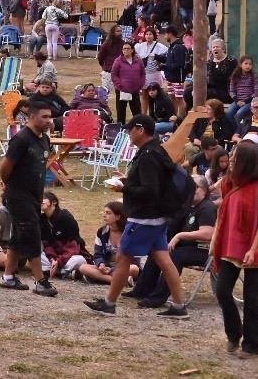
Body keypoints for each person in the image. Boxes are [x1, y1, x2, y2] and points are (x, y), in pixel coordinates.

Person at [84, 116, 188, 317]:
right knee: (164, 260)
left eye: (130, 130)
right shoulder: (156, 150)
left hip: (144, 218)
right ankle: (179, 306)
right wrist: (129, 180)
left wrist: (124, 188)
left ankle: (109, 303)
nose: (128, 134)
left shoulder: (148, 155)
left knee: (123, 257)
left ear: (140, 130)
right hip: (157, 217)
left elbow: (150, 190)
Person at [210, 141, 258, 358]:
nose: (231, 160)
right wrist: (215, 241)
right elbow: (221, 212)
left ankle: (251, 345)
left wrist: (253, 249)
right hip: (231, 245)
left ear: (246, 162)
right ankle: (233, 333)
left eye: (235, 157)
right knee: (222, 291)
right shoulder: (229, 182)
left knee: (251, 299)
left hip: (254, 247)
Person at [0, 98, 59, 296]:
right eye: (44, 117)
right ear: (32, 116)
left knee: (18, 235)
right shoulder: (21, 139)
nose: (49, 120)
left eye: (50, 117)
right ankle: (40, 281)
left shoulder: (44, 139)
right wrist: (9, 185)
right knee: (32, 235)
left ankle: (8, 277)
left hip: (34, 196)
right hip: (19, 196)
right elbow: (5, 168)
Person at [130, 175, 216, 307]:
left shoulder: (207, 207)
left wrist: (180, 236)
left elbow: (207, 234)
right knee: (159, 250)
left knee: (175, 255)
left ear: (204, 190)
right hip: (189, 248)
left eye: (195, 187)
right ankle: (142, 290)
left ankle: (157, 298)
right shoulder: (190, 206)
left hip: (205, 251)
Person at [72, 201, 130, 285]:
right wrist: (101, 264)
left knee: (134, 269)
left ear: (118, 216)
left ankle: (101, 278)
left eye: (108, 213)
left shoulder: (128, 233)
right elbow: (98, 254)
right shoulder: (102, 232)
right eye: (104, 212)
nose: (104, 215)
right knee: (83, 267)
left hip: (125, 266)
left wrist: (112, 269)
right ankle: (120, 281)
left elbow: (134, 258)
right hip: (106, 267)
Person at [109, 41, 145, 125]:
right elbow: (114, 74)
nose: (125, 50)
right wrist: (120, 85)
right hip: (122, 90)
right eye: (124, 49)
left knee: (137, 111)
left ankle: (137, 126)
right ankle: (121, 127)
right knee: (121, 111)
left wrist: (141, 84)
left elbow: (143, 73)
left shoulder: (138, 60)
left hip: (135, 90)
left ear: (132, 50)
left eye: (128, 48)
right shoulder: (118, 61)